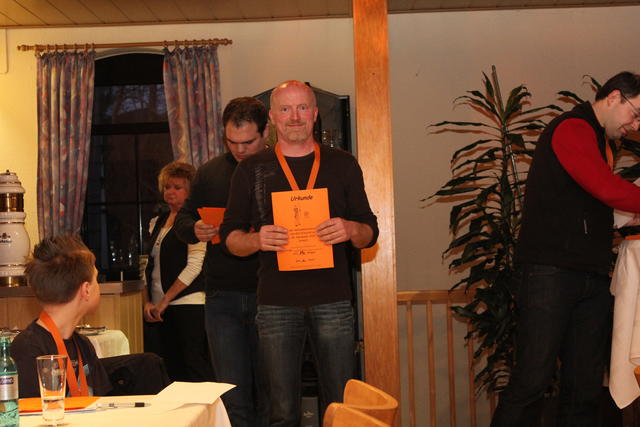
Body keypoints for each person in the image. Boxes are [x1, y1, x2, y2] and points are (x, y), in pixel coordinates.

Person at [219, 80, 379, 426]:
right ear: (273, 117)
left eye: (303, 108)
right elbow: (229, 238)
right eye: (286, 109)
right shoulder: (251, 169)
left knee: (341, 407)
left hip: (333, 301)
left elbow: (369, 232)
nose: (295, 117)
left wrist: (351, 229)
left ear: (315, 114)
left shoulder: (342, 164)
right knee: (281, 411)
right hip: (276, 304)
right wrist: (257, 240)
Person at [491, 71, 640, 427]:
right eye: (635, 114)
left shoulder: (600, 140)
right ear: (614, 97)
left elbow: (590, 204)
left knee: (584, 388)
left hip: (590, 272)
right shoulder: (572, 128)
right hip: (551, 272)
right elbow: (606, 188)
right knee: (531, 382)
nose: (635, 126)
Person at [174, 97, 269, 427]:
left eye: (248, 142)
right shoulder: (210, 172)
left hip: (270, 294)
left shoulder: (279, 168)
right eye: (232, 142)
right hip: (221, 296)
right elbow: (183, 219)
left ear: (265, 133)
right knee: (231, 397)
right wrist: (195, 228)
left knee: (272, 395)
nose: (240, 150)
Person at [11, 234, 169, 398]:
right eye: (96, 279)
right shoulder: (28, 348)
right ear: (86, 290)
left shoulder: (83, 344)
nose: (98, 286)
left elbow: (99, 403)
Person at [143, 161, 213, 382]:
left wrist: (165, 301)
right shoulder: (157, 222)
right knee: (169, 370)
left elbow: (194, 266)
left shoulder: (196, 222)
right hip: (159, 307)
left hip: (189, 303)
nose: (170, 192)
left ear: (190, 191)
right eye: (167, 187)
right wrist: (147, 302)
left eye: (177, 187)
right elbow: (146, 265)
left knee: (194, 367)